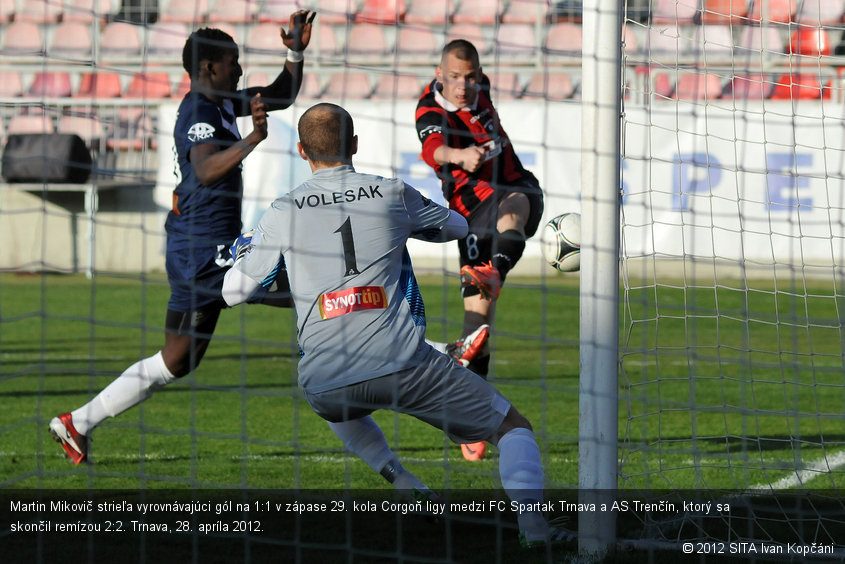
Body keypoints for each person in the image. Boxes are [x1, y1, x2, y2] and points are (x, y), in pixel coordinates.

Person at [47, 18, 432, 498]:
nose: (241, 68)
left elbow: (282, 92)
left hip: (198, 246)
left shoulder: (223, 100)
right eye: (233, 62)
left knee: (177, 360)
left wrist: (294, 54)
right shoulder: (197, 110)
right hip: (204, 251)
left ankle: (77, 422)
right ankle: (432, 358)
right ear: (209, 67)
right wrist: (252, 140)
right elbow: (206, 169)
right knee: (320, 290)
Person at [222, 103, 566, 548]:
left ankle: (401, 479)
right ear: (356, 145)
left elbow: (234, 292)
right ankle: (536, 534)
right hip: (404, 364)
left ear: (303, 151)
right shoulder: (391, 193)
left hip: (323, 383)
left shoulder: (283, 209)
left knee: (336, 390)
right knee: (512, 427)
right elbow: (460, 227)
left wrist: (256, 258)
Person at [414, 39, 545, 461]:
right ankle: (469, 429)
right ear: (440, 75)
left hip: (511, 188)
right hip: (468, 215)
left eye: (470, 77)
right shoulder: (430, 109)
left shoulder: (481, 87)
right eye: (454, 77)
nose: (464, 86)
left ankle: (496, 268)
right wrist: (459, 154)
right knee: (476, 337)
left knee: (515, 208)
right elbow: (433, 149)